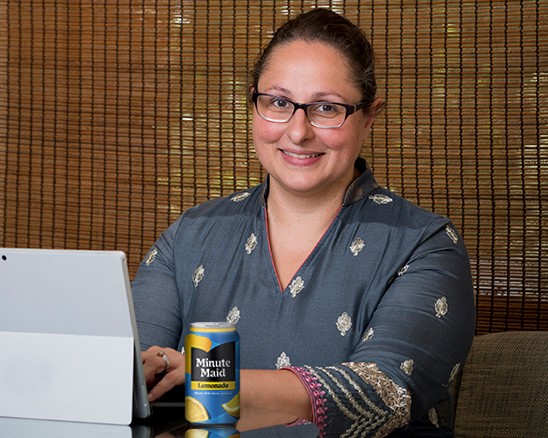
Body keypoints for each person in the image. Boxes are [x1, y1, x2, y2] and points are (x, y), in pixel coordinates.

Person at [133, 7, 475, 437]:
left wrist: (212, 382)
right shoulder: (190, 236)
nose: (297, 131)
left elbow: (385, 391)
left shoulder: (425, 244)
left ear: (368, 116)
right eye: (278, 102)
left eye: (326, 108)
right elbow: (129, 377)